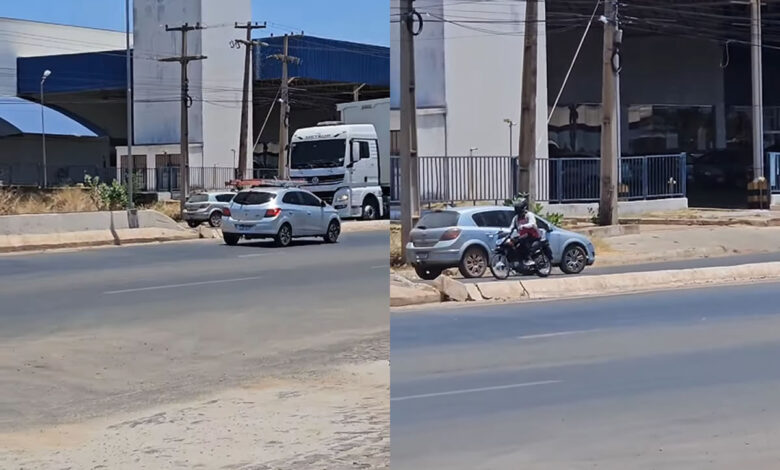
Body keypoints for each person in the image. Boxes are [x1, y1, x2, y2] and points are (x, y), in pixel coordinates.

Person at [509, 199, 540, 266]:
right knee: (513, 242)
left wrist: (523, 226)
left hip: (533, 235)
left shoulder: (529, 215)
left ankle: (528, 259)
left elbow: (532, 224)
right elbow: (511, 227)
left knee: (522, 240)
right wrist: (506, 234)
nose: (519, 215)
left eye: (520, 212)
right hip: (523, 236)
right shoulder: (516, 218)